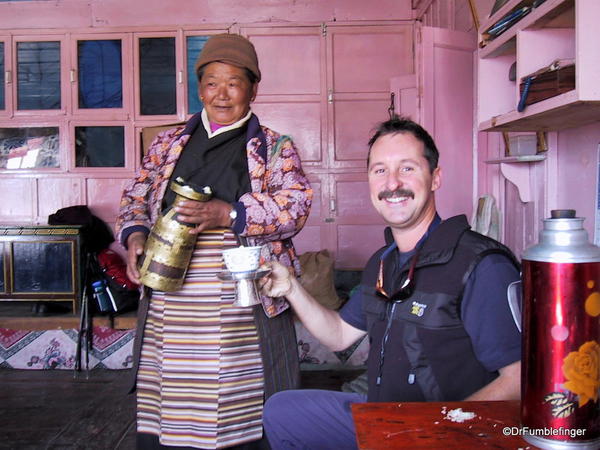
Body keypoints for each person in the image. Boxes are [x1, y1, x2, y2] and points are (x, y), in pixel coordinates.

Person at [259, 116, 521, 449]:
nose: (392, 183)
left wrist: (438, 429)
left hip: (438, 430)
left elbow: (519, 380)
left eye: (407, 168)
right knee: (283, 410)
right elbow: (339, 336)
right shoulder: (383, 262)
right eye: (380, 170)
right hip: (383, 417)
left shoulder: (481, 265)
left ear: (435, 177)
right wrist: (291, 289)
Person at [115, 33, 312, 449]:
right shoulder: (168, 144)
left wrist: (229, 214)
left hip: (240, 291)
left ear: (253, 88)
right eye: (211, 82)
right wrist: (135, 238)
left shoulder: (274, 147)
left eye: (234, 82)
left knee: (236, 389)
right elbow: (135, 198)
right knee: (171, 385)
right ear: (199, 88)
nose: (221, 94)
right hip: (171, 289)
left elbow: (295, 207)